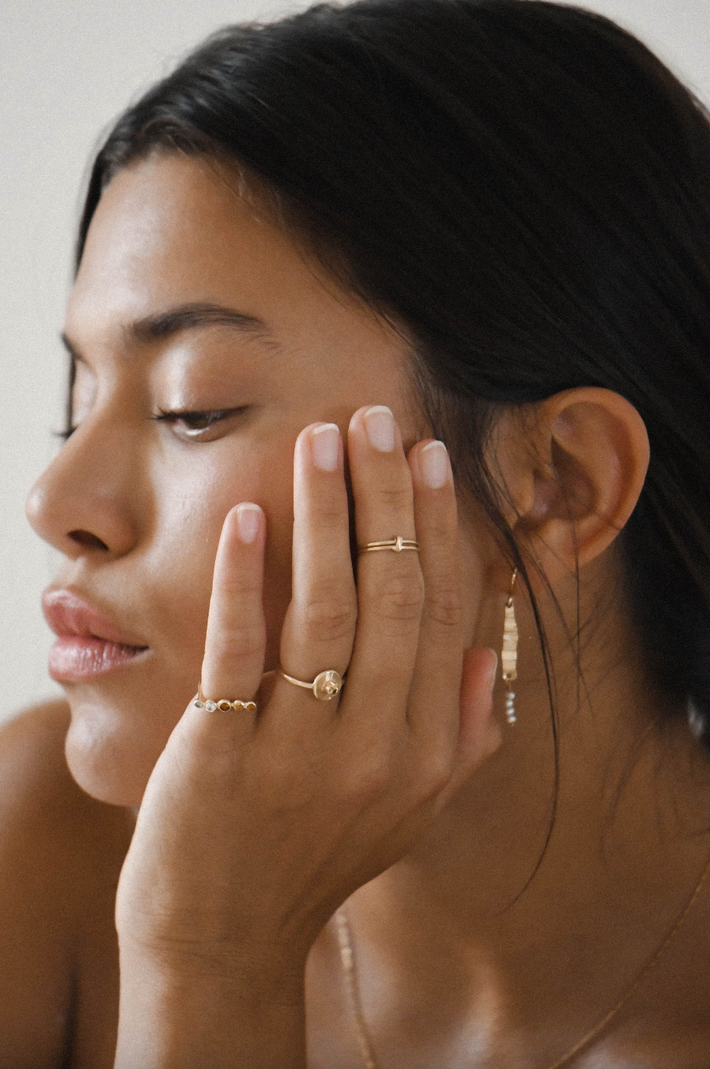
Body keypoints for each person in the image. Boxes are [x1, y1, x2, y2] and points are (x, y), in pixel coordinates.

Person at [3, 0, 710, 1064]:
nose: (57, 500)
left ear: (556, 482)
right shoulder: (41, 835)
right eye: (76, 396)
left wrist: (212, 959)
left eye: (192, 407)